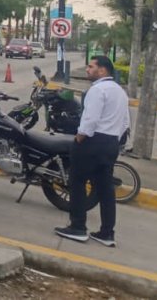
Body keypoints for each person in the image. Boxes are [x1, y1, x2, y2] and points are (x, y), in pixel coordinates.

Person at [55, 55, 131, 247]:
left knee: (77, 183)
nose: (87, 70)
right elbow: (125, 122)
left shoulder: (97, 90)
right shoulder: (120, 92)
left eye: (91, 66)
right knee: (105, 189)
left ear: (102, 70)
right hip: (111, 143)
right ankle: (107, 232)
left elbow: (90, 119)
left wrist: (79, 138)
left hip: (92, 141)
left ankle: (78, 227)